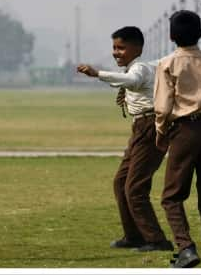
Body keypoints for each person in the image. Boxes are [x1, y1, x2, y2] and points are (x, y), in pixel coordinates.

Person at [76, 26, 172, 252]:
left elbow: (133, 81)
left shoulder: (139, 68)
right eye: (114, 48)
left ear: (137, 48)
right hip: (140, 128)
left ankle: (157, 240)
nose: (116, 52)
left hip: (149, 128)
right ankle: (134, 236)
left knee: (135, 188)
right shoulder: (143, 66)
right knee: (121, 183)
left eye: (121, 48)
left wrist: (97, 74)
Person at [154, 11, 201, 269]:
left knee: (171, 196)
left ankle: (185, 247)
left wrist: (161, 132)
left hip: (183, 130)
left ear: (171, 35)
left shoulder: (168, 63)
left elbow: (163, 107)